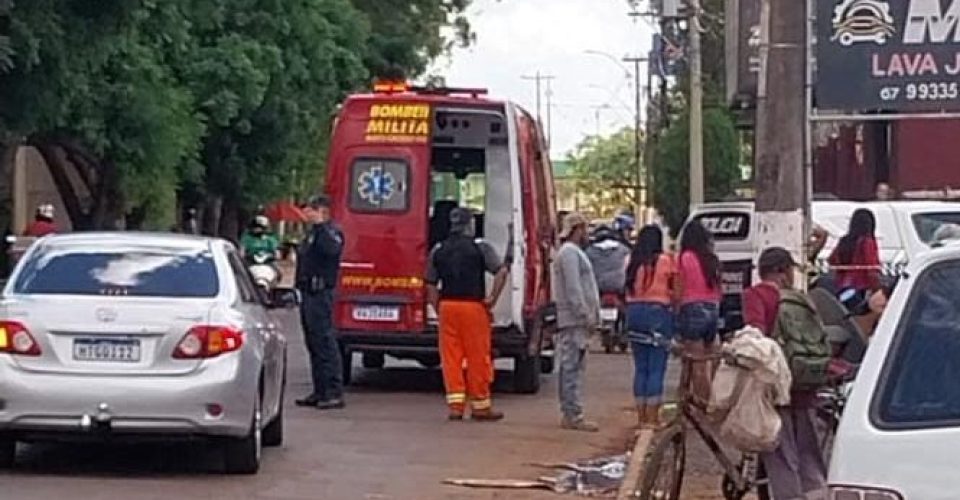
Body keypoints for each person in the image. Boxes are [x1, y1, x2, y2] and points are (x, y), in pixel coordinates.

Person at [743, 247, 828, 500]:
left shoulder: (755, 295)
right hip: (806, 383)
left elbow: (756, 338)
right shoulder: (800, 298)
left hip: (776, 388)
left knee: (782, 457)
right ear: (785, 271)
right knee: (809, 454)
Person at [425, 207, 509, 421]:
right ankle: (480, 405)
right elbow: (501, 271)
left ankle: (455, 406)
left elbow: (431, 284)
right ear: (470, 225)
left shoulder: (438, 249)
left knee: (451, 358)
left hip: (448, 307)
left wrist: (437, 307)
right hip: (473, 307)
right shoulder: (480, 248)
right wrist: (492, 298)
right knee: (477, 357)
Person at [294, 195, 347, 410]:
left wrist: (321, 225)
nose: (307, 214)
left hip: (321, 293)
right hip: (308, 293)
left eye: (310, 210)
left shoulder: (330, 232)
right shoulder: (311, 234)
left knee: (325, 341)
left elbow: (332, 251)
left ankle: (333, 392)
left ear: (321, 211)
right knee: (313, 342)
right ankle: (320, 390)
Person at [624, 225, 676, 429]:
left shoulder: (631, 261)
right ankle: (653, 419)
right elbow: (676, 289)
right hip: (658, 314)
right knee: (656, 367)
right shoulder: (666, 261)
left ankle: (641, 417)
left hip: (635, 312)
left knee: (641, 367)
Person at [553, 212, 601, 432]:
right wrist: (584, 314)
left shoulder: (572, 253)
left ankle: (571, 411)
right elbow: (574, 288)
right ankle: (572, 414)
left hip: (575, 318)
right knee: (571, 366)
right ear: (577, 229)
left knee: (574, 365)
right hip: (574, 319)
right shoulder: (570, 254)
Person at [676, 220, 722, 404]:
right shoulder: (711, 259)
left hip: (692, 308)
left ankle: (703, 404)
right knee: (710, 361)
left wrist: (676, 310)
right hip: (713, 308)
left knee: (697, 364)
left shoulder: (684, 258)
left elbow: (679, 287)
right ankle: (706, 399)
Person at [828, 208, 882, 299]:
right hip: (862, 287)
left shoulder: (844, 240)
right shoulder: (867, 241)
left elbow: (831, 260)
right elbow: (871, 267)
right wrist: (877, 288)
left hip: (841, 285)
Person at [585, 226, 630, 296]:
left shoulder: (589, 251)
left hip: (597, 289)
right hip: (619, 288)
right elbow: (628, 265)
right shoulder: (623, 249)